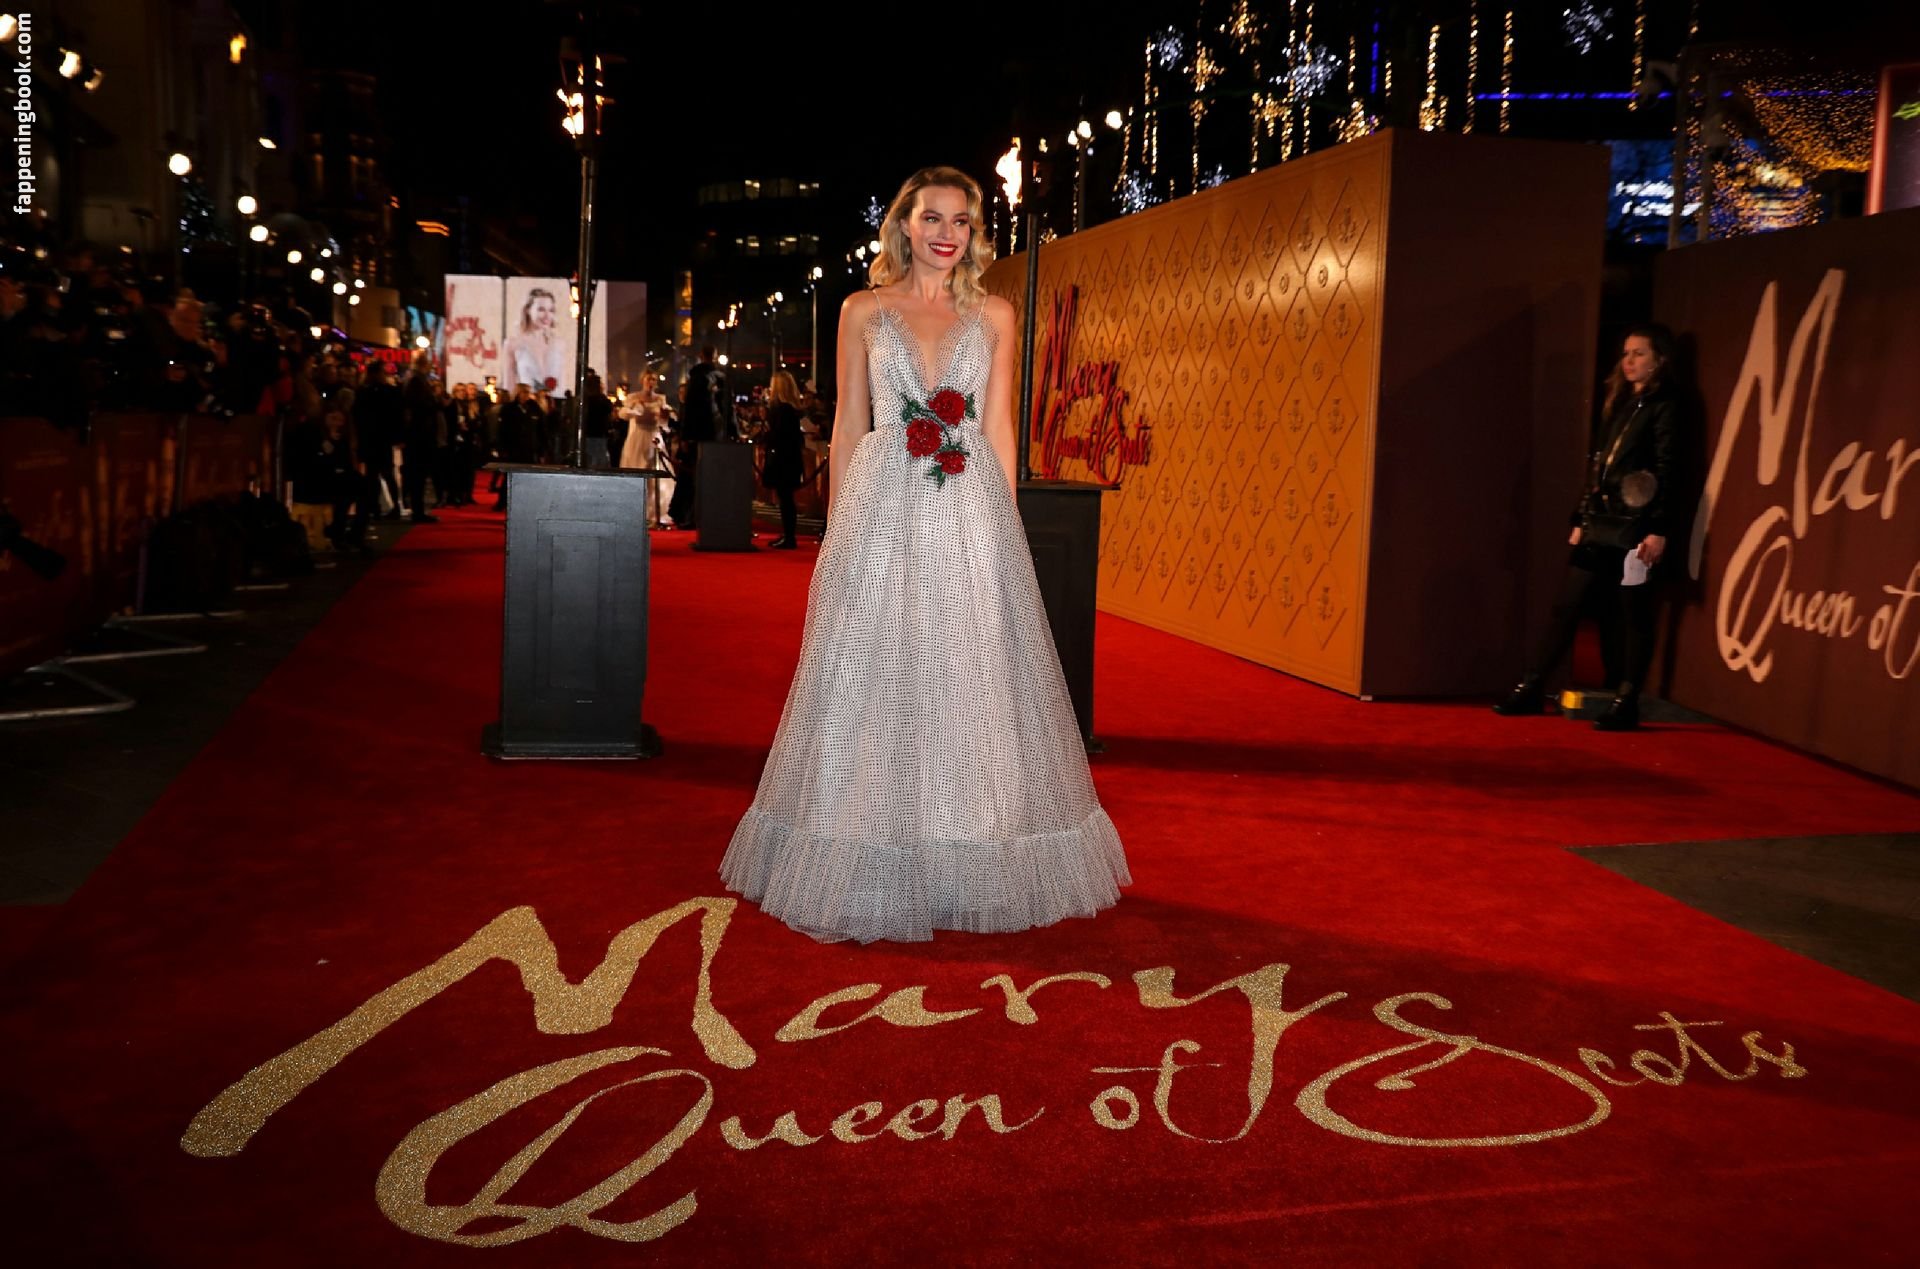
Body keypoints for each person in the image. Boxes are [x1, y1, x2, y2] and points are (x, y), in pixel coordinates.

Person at [719, 166, 1129, 943]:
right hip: (881, 511)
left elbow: (1000, 428)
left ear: (974, 233)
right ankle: (867, 845)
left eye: (961, 221)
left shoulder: (997, 314)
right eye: (932, 217)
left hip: (968, 511)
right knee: (873, 669)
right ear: (904, 224)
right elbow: (849, 425)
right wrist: (836, 532)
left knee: (966, 672)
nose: (946, 233)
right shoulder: (862, 310)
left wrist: (1006, 536)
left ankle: (967, 849)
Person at [1494, 323, 1685, 731]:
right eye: (1626, 353)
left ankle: (1626, 700)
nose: (1629, 361)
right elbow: (1598, 465)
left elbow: (1669, 469)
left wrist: (1658, 528)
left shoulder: (1666, 405)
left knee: (1633, 614)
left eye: (1639, 353)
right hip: (1601, 522)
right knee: (1568, 604)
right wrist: (1582, 517)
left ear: (1659, 360)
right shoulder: (1620, 402)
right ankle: (1532, 685)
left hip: (1636, 526)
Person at [668, 344, 732, 527]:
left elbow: (691, 410)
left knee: (693, 478)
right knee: (709, 477)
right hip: (717, 434)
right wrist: (732, 432)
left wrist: (686, 436)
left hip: (698, 434)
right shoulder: (721, 377)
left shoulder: (697, 378)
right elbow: (728, 408)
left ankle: (690, 515)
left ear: (701, 355)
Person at [760, 369, 806, 548]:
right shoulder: (790, 410)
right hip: (790, 458)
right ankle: (788, 534)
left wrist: (767, 434)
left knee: (785, 498)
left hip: (783, 460)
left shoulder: (783, 410)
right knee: (785, 498)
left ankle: (789, 536)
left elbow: (779, 435)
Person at [503, 287, 564, 396]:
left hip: (555, 403)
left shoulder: (559, 344)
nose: (547, 316)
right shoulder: (513, 344)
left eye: (551, 310)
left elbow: (562, 385)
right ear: (527, 310)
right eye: (541, 310)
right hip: (527, 404)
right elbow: (509, 387)